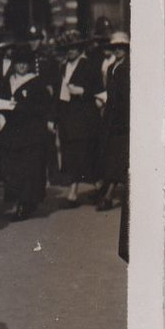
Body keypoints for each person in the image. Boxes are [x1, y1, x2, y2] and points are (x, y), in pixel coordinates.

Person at [0, 44, 53, 220]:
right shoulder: (8, 80)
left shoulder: (36, 82)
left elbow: (42, 107)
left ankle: (25, 204)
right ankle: (17, 200)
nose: (21, 66)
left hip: (30, 131)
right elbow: (2, 100)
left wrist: (20, 107)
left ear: (29, 65)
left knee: (29, 169)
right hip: (11, 130)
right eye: (18, 63)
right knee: (13, 168)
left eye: (24, 63)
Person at [54, 33, 105, 207]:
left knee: (85, 154)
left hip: (85, 117)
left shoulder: (89, 65)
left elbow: (100, 91)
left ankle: (89, 189)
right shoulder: (62, 67)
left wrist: (82, 91)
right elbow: (58, 93)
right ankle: (81, 190)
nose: (70, 51)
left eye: (73, 48)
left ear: (80, 49)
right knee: (71, 155)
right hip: (67, 117)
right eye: (67, 49)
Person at [95, 32, 130, 212]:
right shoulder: (111, 68)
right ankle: (107, 190)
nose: (117, 50)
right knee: (111, 155)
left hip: (124, 118)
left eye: (121, 47)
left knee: (118, 157)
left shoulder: (130, 67)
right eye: (115, 47)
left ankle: (109, 195)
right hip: (111, 116)